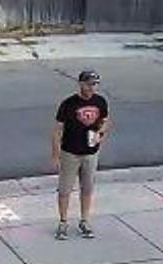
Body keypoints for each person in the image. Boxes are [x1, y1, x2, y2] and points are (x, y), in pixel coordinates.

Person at [52, 69, 111, 241]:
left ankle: (84, 221)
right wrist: (55, 155)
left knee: (87, 188)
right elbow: (56, 130)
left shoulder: (101, 102)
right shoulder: (69, 104)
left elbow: (105, 122)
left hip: (91, 153)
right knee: (64, 190)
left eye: (95, 84)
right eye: (89, 84)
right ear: (81, 84)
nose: (92, 87)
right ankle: (63, 222)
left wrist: (100, 133)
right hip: (70, 152)